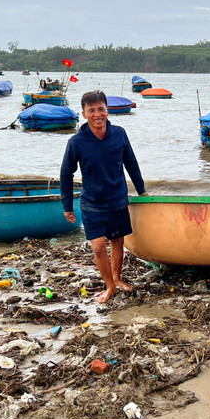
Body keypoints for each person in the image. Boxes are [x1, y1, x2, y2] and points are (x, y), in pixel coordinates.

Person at [61, 90, 149, 304]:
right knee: (99, 246)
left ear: (107, 110)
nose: (97, 114)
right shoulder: (77, 142)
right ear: (84, 114)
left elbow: (131, 162)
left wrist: (142, 191)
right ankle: (109, 287)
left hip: (118, 200)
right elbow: (66, 173)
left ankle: (117, 279)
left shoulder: (119, 133)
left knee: (118, 241)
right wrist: (67, 205)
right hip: (91, 203)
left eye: (101, 109)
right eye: (92, 110)